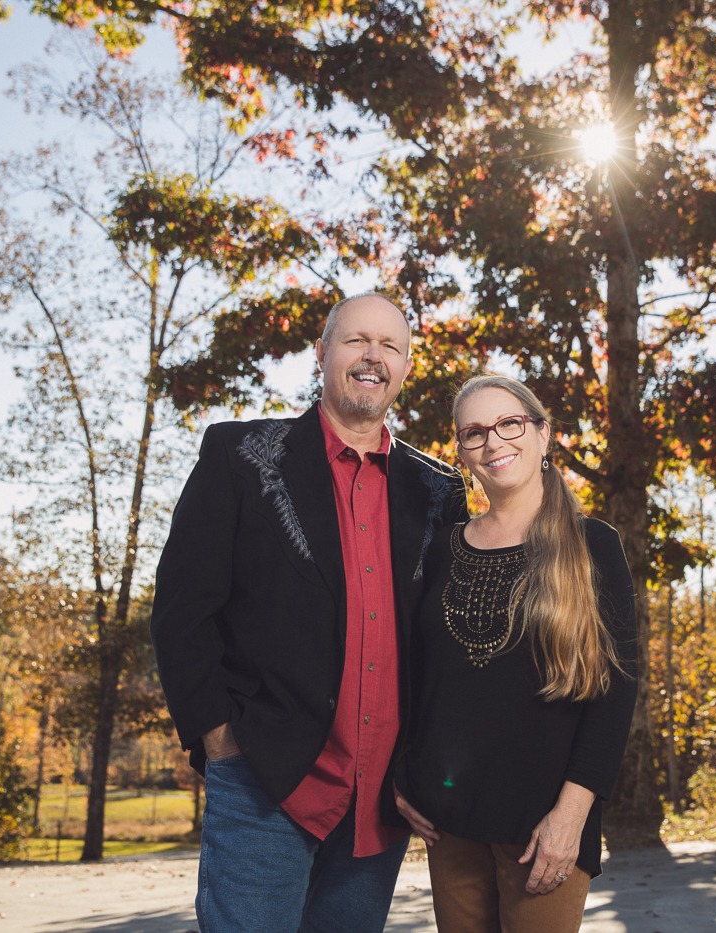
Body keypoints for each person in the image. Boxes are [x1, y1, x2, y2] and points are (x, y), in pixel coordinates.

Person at [150, 293, 468, 933]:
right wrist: (219, 737)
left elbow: (445, 646)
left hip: (380, 799)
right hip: (263, 779)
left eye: (391, 346)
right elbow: (182, 606)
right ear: (322, 353)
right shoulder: (240, 457)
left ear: (405, 368)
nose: (372, 356)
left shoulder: (440, 492)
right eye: (356, 341)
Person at [393, 373, 639, 933]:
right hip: (449, 823)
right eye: (474, 432)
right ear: (462, 452)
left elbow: (615, 693)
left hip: (544, 827)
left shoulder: (591, 545)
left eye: (509, 423)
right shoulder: (442, 550)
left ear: (542, 433)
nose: (493, 442)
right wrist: (402, 773)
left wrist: (571, 817)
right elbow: (418, 678)